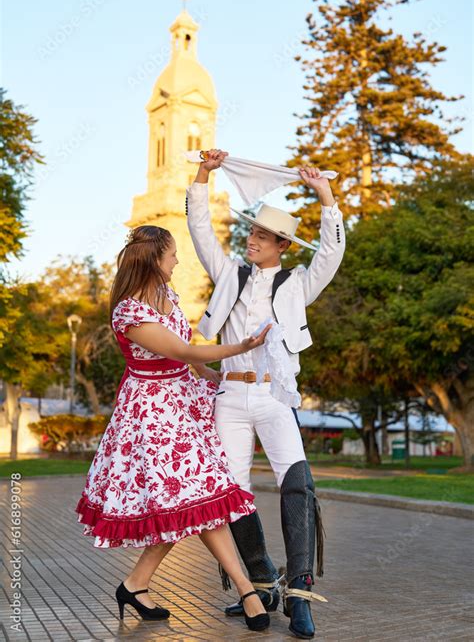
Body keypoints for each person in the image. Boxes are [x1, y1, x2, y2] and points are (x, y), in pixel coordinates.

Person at [75, 225, 272, 633]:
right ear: (154, 260)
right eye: (172, 255)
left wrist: (219, 377)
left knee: (191, 504)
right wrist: (242, 347)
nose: (177, 261)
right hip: (152, 417)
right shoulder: (129, 312)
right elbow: (181, 350)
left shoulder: (168, 298)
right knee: (194, 502)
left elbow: (190, 360)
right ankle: (246, 590)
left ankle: (136, 585)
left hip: (184, 406)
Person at [186, 149, 346, 639]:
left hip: (276, 397)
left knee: (297, 486)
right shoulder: (228, 273)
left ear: (281, 245)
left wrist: (325, 196)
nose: (251, 240)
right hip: (230, 400)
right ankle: (260, 584)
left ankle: (299, 594)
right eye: (251, 233)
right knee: (232, 495)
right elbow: (200, 231)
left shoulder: (299, 284)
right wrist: (203, 175)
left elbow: (331, 253)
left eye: (260, 236)